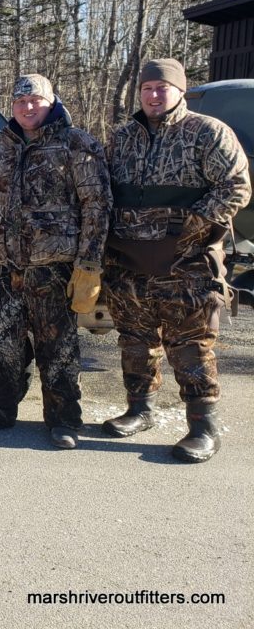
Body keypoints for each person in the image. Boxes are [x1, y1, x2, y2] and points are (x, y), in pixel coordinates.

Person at [102, 58, 251, 462]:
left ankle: (203, 427)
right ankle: (139, 410)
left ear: (180, 90)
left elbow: (236, 187)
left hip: (186, 264)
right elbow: (102, 192)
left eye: (162, 88)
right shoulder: (121, 138)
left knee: (190, 345)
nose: (154, 95)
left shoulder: (207, 132)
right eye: (147, 88)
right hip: (128, 263)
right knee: (135, 340)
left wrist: (189, 227)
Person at [0, 74, 111, 449]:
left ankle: (64, 421)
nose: (27, 108)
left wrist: (89, 266)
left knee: (57, 349)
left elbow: (97, 207)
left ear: (51, 103)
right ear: (12, 106)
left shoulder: (77, 144)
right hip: (1, 267)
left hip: (53, 268)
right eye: (20, 102)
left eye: (35, 101)